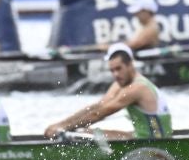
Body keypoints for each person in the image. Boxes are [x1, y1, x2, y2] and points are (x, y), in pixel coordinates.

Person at [43, 43, 172, 139]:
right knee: (85, 133)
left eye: (118, 69)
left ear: (130, 65)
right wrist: (61, 124)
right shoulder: (121, 83)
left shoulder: (138, 88)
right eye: (112, 70)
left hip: (156, 147)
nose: (115, 74)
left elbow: (99, 114)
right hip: (141, 138)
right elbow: (99, 106)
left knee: (83, 134)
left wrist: (64, 128)